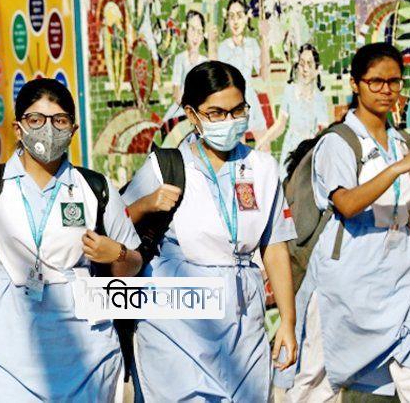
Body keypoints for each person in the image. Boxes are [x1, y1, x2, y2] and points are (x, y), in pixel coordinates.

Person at [0, 78, 142, 401]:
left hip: (85, 350)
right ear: (18, 129)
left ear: (73, 130)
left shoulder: (95, 188)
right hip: (2, 348)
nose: (47, 129)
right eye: (35, 120)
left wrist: (115, 253)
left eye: (59, 120)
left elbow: (134, 264)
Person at [123, 60, 297, 401]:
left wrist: (287, 323)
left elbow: (275, 247)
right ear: (192, 113)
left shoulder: (262, 168)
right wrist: (146, 204)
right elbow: (118, 226)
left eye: (238, 110)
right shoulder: (166, 167)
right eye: (216, 113)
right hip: (176, 325)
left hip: (242, 322)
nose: (229, 121)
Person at [277, 43, 410, 401]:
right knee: (314, 382)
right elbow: (347, 203)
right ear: (355, 84)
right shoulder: (338, 142)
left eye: (394, 82)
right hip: (345, 283)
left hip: (400, 279)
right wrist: (397, 169)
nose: (386, 90)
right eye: (376, 81)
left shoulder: (401, 141)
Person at [256, 44, 329, 179]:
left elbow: (324, 132)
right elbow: (280, 124)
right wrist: (264, 139)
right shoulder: (290, 91)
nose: (305, 69)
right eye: (302, 64)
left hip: (309, 149)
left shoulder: (319, 99)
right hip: (291, 146)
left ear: (317, 70)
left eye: (309, 64)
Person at [215, 0, 268, 138]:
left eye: (239, 16)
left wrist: (264, 40)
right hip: (232, 101)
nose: (235, 21)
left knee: (264, 141)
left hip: (250, 98)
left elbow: (264, 75)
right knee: (238, 142)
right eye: (231, 16)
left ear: (246, 17)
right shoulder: (223, 48)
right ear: (227, 19)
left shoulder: (252, 44)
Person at [162, 10, 209, 123]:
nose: (195, 36)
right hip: (181, 108)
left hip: (200, 111)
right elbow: (176, 93)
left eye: (199, 31)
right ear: (186, 31)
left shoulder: (205, 62)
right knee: (167, 127)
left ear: (203, 36)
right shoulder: (180, 59)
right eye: (192, 29)